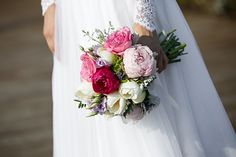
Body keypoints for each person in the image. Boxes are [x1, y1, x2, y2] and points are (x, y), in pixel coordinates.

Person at [41, 0, 236, 157]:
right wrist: (48, 5)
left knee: (146, 125)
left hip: (122, 10)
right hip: (72, 14)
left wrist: (145, 20)